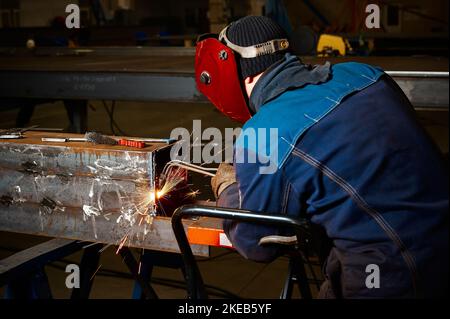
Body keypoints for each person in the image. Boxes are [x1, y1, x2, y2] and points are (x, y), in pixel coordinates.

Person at [195, 15, 448, 298]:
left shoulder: (264, 133)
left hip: (389, 274)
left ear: (244, 73)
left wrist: (228, 190)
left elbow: (255, 242)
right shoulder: (366, 74)